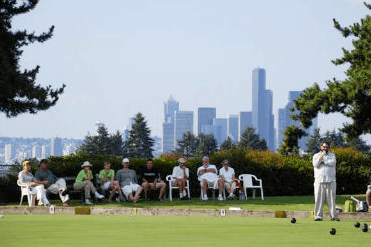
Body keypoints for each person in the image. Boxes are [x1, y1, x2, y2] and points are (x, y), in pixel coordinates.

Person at [312, 142, 339, 221]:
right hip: (319, 181)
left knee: (331, 200)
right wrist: (321, 157)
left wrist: (323, 160)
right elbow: (315, 164)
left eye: (326, 147)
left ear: (328, 148)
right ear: (321, 147)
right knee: (318, 200)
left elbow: (332, 163)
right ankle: (318, 216)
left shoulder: (332, 155)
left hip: (331, 180)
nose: (325, 148)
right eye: (323, 147)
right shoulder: (316, 156)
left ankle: (333, 216)